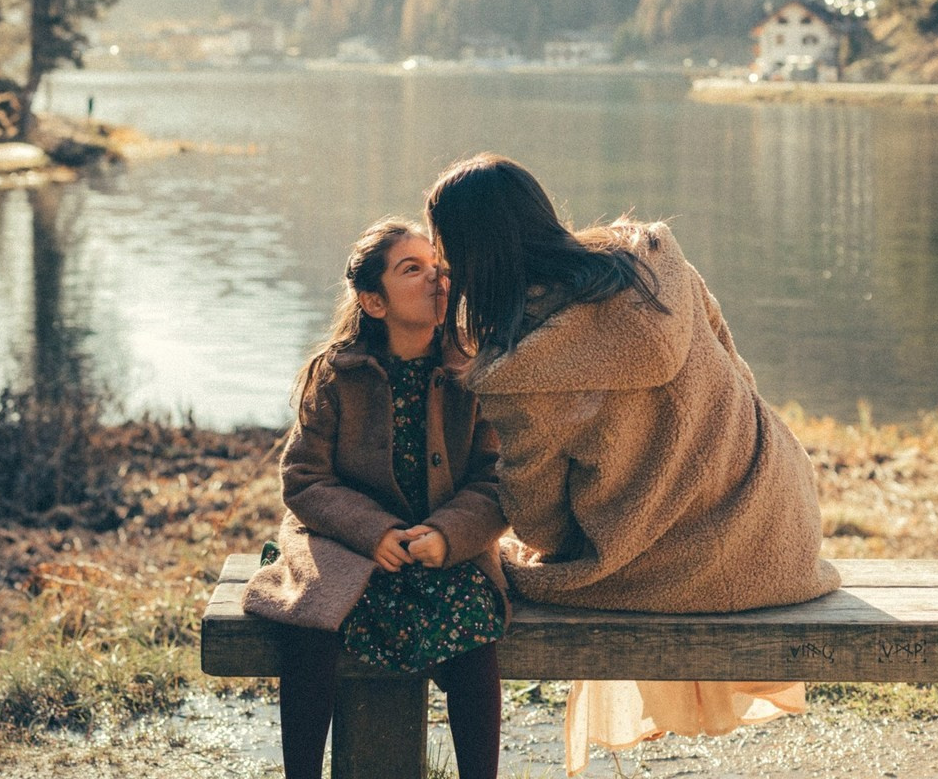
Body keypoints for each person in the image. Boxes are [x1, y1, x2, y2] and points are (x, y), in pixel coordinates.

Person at [424, 154, 841, 775]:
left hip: (685, 567)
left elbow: (539, 527)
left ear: (468, 254)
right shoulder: (653, 262)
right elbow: (736, 369)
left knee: (506, 573)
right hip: (780, 523)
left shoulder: (518, 370)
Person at [242, 218, 509, 779]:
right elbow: (304, 480)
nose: (436, 280)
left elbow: (498, 479)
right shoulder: (335, 377)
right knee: (311, 621)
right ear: (373, 299)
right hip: (346, 544)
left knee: (475, 627)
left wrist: (449, 534)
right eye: (411, 270)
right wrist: (373, 533)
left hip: (441, 547)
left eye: (438, 268)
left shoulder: (473, 370)